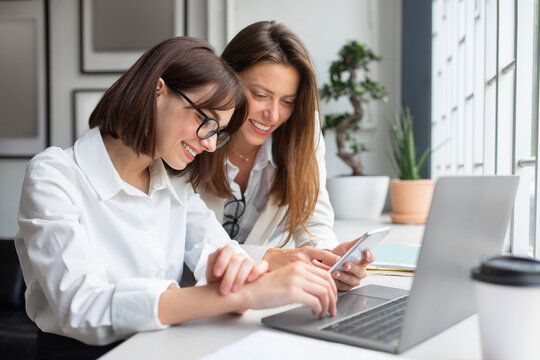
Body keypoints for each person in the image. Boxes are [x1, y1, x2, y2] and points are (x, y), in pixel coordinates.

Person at [15, 36, 337, 359]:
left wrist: (235, 269)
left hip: (164, 346)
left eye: (217, 130)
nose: (210, 145)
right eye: (203, 120)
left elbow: (218, 250)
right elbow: (82, 307)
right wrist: (245, 294)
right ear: (158, 91)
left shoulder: (173, 183)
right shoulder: (54, 176)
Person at [193, 21, 374, 292]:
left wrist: (328, 261)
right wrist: (273, 259)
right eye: (260, 95)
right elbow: (186, 237)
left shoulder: (301, 131)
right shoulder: (193, 133)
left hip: (254, 291)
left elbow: (312, 217)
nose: (273, 115)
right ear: (227, 80)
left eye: (287, 101)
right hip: (193, 291)